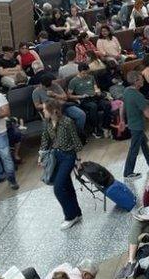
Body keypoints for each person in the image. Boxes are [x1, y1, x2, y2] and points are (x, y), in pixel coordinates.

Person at [40, 99, 84, 230]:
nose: (42, 111)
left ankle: (69, 216)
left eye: (44, 109)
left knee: (58, 187)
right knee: (67, 185)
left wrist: (78, 160)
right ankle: (76, 212)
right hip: (56, 156)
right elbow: (45, 139)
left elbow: (75, 140)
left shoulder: (67, 122)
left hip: (68, 156)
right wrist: (41, 156)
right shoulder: (47, 123)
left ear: (53, 110)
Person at [122, 71, 149, 178]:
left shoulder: (127, 91)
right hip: (137, 125)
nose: (143, 81)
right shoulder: (138, 95)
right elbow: (148, 114)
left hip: (132, 123)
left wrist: (122, 120)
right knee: (134, 149)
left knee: (143, 143)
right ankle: (128, 172)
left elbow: (123, 106)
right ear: (136, 81)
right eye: (141, 79)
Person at [68, 63, 112, 139]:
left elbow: (96, 87)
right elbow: (69, 95)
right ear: (79, 71)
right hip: (84, 99)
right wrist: (81, 96)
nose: (85, 75)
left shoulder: (91, 77)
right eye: (83, 73)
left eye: (86, 73)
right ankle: (96, 129)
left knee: (107, 104)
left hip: (95, 97)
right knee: (93, 106)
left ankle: (105, 126)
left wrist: (97, 91)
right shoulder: (73, 81)